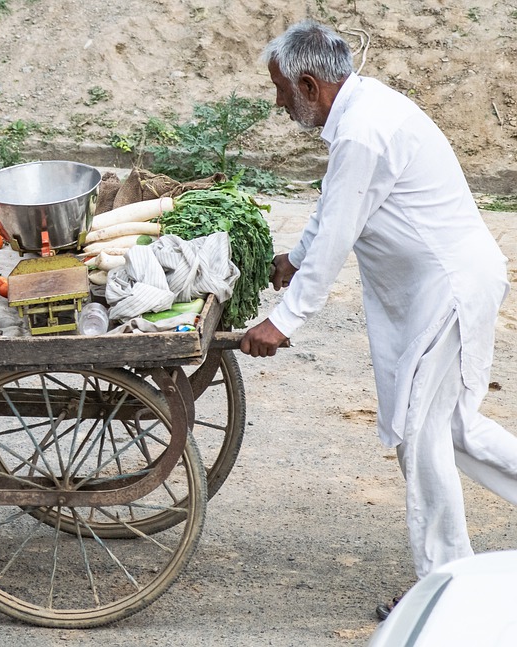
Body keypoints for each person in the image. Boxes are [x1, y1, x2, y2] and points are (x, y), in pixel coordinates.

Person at [242, 19, 517, 621]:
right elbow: (337, 204)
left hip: (448, 289)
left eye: (282, 92)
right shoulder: (363, 113)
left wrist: (285, 321)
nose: (279, 103)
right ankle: (448, 581)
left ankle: (444, 590)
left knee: (421, 436)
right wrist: (294, 257)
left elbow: (340, 231)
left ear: (310, 84)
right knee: (454, 431)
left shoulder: (363, 130)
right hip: (448, 286)